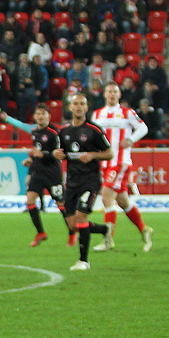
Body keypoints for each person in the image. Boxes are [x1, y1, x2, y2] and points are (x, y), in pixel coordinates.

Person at [90, 82, 154, 252]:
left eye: (115, 91)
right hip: (105, 163)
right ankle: (144, 229)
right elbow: (92, 136)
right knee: (123, 200)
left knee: (106, 197)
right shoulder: (97, 114)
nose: (112, 94)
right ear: (104, 94)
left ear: (119, 95)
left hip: (120, 162)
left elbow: (143, 128)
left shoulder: (127, 113)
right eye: (109, 91)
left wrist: (131, 139)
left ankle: (108, 240)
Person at [0, 105, 75, 247]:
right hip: (38, 172)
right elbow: (37, 151)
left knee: (61, 204)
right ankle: (41, 232)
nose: (40, 116)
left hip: (53, 174)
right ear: (34, 117)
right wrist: (31, 159)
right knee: (30, 201)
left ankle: (72, 233)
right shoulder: (34, 132)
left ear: (49, 116)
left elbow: (60, 153)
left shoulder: (55, 133)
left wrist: (44, 155)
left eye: (43, 114)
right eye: (38, 114)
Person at [53, 94, 113, 271]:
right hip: (72, 182)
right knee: (73, 225)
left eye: (82, 104)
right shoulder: (64, 131)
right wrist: (57, 154)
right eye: (75, 104)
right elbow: (62, 152)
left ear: (87, 108)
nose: (79, 107)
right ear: (70, 107)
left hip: (90, 180)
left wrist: (93, 155)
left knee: (81, 217)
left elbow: (110, 153)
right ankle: (105, 230)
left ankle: (83, 261)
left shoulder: (94, 130)